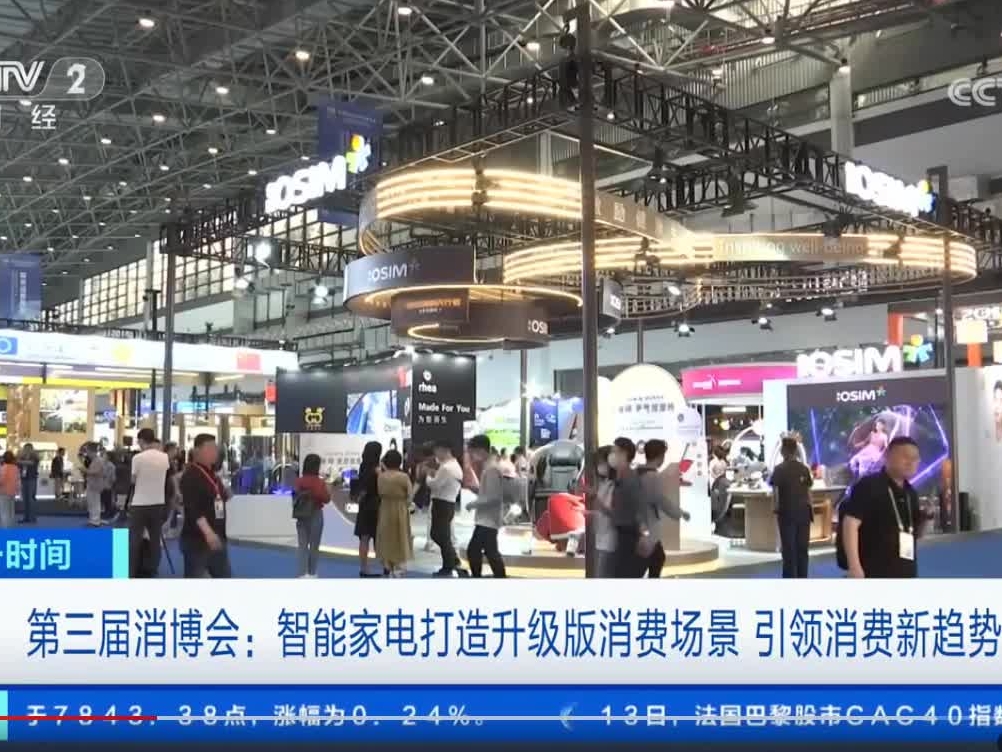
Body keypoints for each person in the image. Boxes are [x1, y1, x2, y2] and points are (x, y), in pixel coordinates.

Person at [841, 436, 924, 579]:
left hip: (906, 569)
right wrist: (854, 566)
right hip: (874, 569)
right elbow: (850, 524)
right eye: (905, 457)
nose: (911, 462)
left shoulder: (911, 493)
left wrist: (927, 518)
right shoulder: (869, 486)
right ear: (887, 456)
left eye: (915, 458)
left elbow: (916, 534)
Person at [180, 434, 232, 578]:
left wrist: (225, 492)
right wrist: (208, 533)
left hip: (217, 536)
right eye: (210, 448)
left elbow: (220, 497)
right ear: (197, 451)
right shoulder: (191, 475)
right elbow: (193, 508)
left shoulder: (213, 474)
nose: (215, 452)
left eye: (215, 448)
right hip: (198, 540)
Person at [637, 439, 689, 578]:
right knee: (654, 559)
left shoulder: (638, 473)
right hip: (648, 526)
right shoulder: (652, 476)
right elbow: (661, 500)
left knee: (655, 558)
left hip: (641, 524)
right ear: (660, 456)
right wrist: (680, 513)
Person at [770, 437, 815, 578]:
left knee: (789, 550)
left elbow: (775, 491)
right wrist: (811, 509)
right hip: (804, 513)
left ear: (783, 451)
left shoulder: (779, 469)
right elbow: (808, 491)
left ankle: (789, 581)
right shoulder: (804, 469)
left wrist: (775, 508)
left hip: (787, 513)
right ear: (795, 450)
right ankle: (802, 578)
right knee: (802, 549)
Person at [464, 435, 507, 578]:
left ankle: (479, 577)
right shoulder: (489, 468)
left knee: (475, 551)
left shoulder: (491, 469)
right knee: (489, 551)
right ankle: (498, 577)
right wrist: (477, 490)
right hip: (487, 519)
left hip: (488, 520)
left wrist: (473, 504)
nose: (472, 457)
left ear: (481, 450)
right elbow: (490, 494)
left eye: (472, 453)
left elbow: (493, 497)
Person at [129, 428, 170, 577]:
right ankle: (152, 569)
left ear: (141, 440)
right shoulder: (164, 457)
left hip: (139, 504)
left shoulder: (137, 458)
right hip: (158, 503)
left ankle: (131, 570)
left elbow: (133, 480)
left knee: (135, 539)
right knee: (155, 539)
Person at [426, 439, 465, 577]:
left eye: (436, 451)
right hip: (449, 504)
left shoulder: (446, 467)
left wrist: (428, 476)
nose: (436, 454)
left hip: (441, 504)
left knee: (438, 535)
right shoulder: (454, 465)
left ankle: (450, 564)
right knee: (443, 536)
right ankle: (451, 562)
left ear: (444, 450)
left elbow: (434, 485)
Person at [606, 437, 644, 578]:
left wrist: (644, 534)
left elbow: (641, 508)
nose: (611, 456)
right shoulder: (619, 479)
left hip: (629, 538)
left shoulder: (631, 479)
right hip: (620, 536)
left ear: (624, 454)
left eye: (614, 451)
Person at [376, 449, 413, 577]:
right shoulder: (403, 477)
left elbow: (379, 492)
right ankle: (399, 566)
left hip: (385, 508)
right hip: (400, 508)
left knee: (386, 536)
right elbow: (410, 495)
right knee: (400, 536)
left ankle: (387, 564)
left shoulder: (381, 476)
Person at [292, 453, 329, 578]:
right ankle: (312, 573)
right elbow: (326, 499)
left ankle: (301, 573)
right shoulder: (319, 482)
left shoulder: (299, 481)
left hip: (301, 515)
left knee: (302, 546)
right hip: (316, 514)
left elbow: (294, 497)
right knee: (314, 546)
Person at [351, 441, 382, 577]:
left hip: (364, 506)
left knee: (364, 538)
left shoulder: (363, 467)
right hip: (376, 505)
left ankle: (364, 568)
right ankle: (385, 566)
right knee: (378, 538)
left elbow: (362, 488)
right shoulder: (377, 469)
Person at [590, 445, 617, 577]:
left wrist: (598, 505)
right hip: (602, 538)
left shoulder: (617, 485)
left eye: (601, 462)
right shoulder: (605, 483)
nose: (599, 466)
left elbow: (613, 512)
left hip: (611, 541)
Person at [83, 445, 106, 528]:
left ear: (92, 452)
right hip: (92, 483)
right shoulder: (95, 460)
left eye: (88, 452)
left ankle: (95, 521)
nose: (87, 454)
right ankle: (93, 519)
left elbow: (96, 472)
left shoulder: (98, 460)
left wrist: (85, 471)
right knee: (91, 502)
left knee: (95, 503)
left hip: (95, 484)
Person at [17, 443, 39, 524]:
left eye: (28, 448)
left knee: (30, 499)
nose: (26, 450)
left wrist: (20, 461)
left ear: (32, 449)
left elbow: (31, 463)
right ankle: (26, 517)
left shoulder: (35, 457)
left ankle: (32, 517)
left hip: (31, 479)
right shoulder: (22, 457)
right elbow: (18, 464)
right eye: (25, 449)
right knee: (25, 499)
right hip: (24, 479)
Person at [0, 451, 19, 528]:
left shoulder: (3, 468)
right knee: (11, 511)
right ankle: (11, 527)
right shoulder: (15, 468)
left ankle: (6, 529)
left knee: (4, 512)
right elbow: (17, 480)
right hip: (12, 492)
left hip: (3, 492)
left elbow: (1, 480)